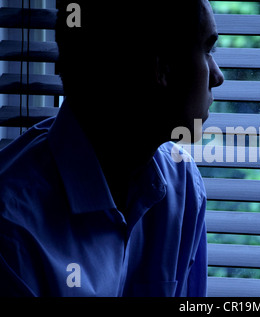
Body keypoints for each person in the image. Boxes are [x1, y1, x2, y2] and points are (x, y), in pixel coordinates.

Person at [0, 0, 224, 296]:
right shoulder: (12, 232)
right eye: (207, 49)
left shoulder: (183, 188)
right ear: (161, 67)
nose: (217, 76)